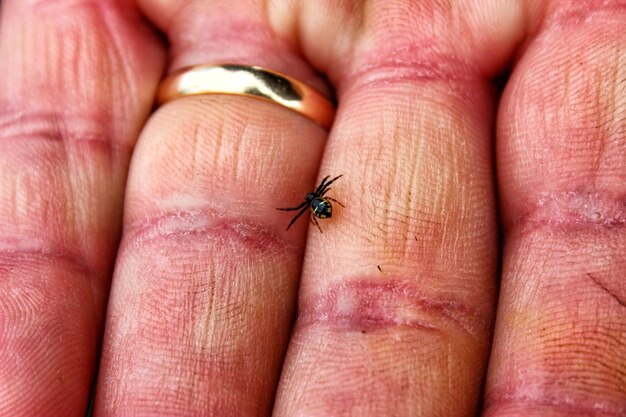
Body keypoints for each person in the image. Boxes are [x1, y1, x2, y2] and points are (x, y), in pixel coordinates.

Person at [0, 0, 624, 416]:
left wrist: (321, 202)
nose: (315, 201)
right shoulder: (317, 200)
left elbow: (323, 198)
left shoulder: (320, 199)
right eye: (314, 200)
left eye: (316, 200)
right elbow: (319, 200)